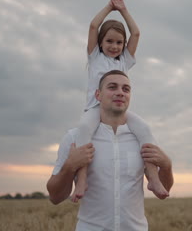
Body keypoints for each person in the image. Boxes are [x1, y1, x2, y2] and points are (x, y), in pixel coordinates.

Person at [47, 70, 174, 230]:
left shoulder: (142, 138)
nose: (120, 93)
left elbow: (163, 192)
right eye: (112, 87)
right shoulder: (74, 138)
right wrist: (69, 166)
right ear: (98, 95)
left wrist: (167, 166)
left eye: (125, 89)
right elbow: (55, 197)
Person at [71, 0, 168, 203]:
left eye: (118, 42)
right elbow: (93, 26)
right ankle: (82, 179)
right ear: (101, 42)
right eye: (109, 41)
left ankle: (152, 177)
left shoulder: (124, 60)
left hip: (119, 112)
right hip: (95, 110)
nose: (114, 46)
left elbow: (136, 33)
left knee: (144, 129)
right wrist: (109, 7)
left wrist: (123, 10)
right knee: (83, 130)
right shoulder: (95, 57)